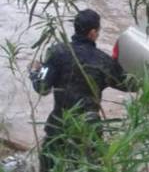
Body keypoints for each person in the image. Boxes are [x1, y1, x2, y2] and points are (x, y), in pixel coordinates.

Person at [29, 9, 135, 172]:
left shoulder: (58, 52)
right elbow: (129, 85)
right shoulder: (103, 61)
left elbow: (42, 88)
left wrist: (34, 72)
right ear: (93, 32)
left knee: (49, 167)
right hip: (88, 130)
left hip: (58, 127)